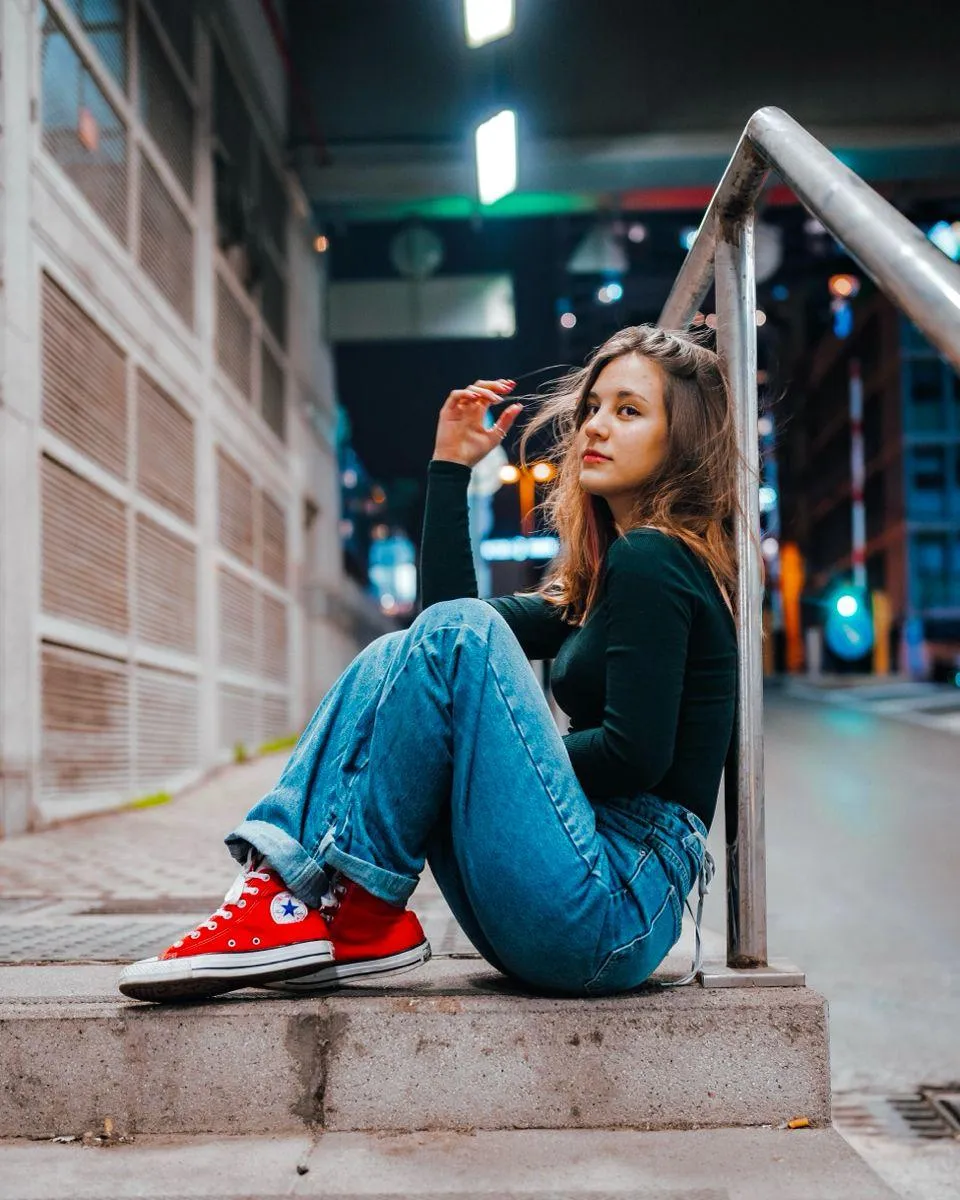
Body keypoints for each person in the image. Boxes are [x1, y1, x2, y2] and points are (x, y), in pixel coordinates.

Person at [118, 324, 738, 1004]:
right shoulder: (604, 584)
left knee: (456, 642)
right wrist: (451, 468)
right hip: (572, 901)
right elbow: (437, 637)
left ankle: (318, 903)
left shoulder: (655, 559)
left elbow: (634, 757)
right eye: (592, 407)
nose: (595, 427)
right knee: (401, 650)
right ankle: (318, 904)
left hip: (613, 905)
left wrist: (509, 757)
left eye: (628, 411)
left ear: (682, 440)